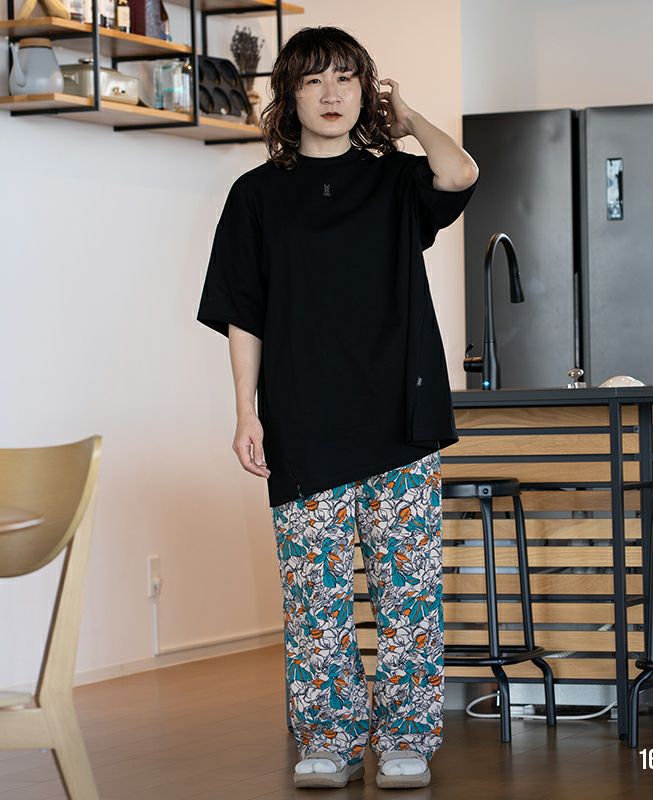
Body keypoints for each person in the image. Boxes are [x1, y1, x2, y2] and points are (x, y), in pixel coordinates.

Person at [197, 25, 478, 790]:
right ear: (289, 95)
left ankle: (407, 740)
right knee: (314, 599)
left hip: (400, 421)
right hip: (301, 422)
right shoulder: (257, 196)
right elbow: (242, 312)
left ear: (365, 92)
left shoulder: (396, 182)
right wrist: (245, 411)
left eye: (346, 78)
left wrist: (408, 118)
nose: (330, 93)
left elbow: (459, 171)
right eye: (313, 79)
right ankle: (327, 738)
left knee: (408, 595)